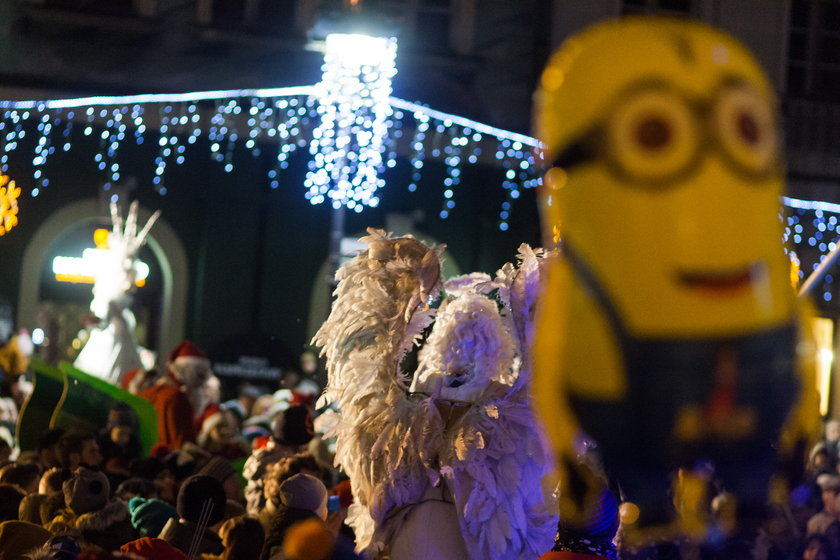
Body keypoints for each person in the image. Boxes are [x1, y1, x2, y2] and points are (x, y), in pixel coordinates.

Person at [140, 341, 212, 450]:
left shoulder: (152, 392)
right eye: (199, 372)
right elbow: (181, 441)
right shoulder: (177, 398)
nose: (202, 381)